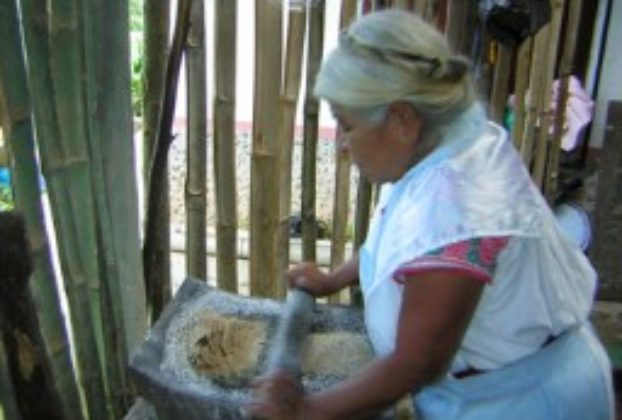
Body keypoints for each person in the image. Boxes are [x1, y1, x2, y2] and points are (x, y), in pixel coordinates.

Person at [247, 9, 614, 420]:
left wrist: (304, 411)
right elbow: (399, 235)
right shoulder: (448, 141)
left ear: (402, 119)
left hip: (524, 404)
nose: (343, 147)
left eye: (347, 126)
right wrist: (335, 278)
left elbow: (419, 362)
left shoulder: (459, 205)